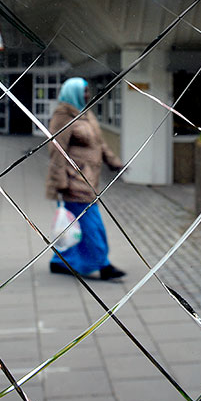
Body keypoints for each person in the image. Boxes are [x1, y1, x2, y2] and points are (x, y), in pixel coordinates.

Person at [45, 77, 126, 281]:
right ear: (72, 92)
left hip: (87, 180)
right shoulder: (63, 116)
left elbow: (100, 144)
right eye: (84, 91)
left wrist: (114, 162)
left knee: (73, 225)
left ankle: (59, 262)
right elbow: (57, 150)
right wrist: (61, 183)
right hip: (73, 182)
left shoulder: (85, 114)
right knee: (91, 225)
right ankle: (103, 265)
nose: (88, 95)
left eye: (88, 91)